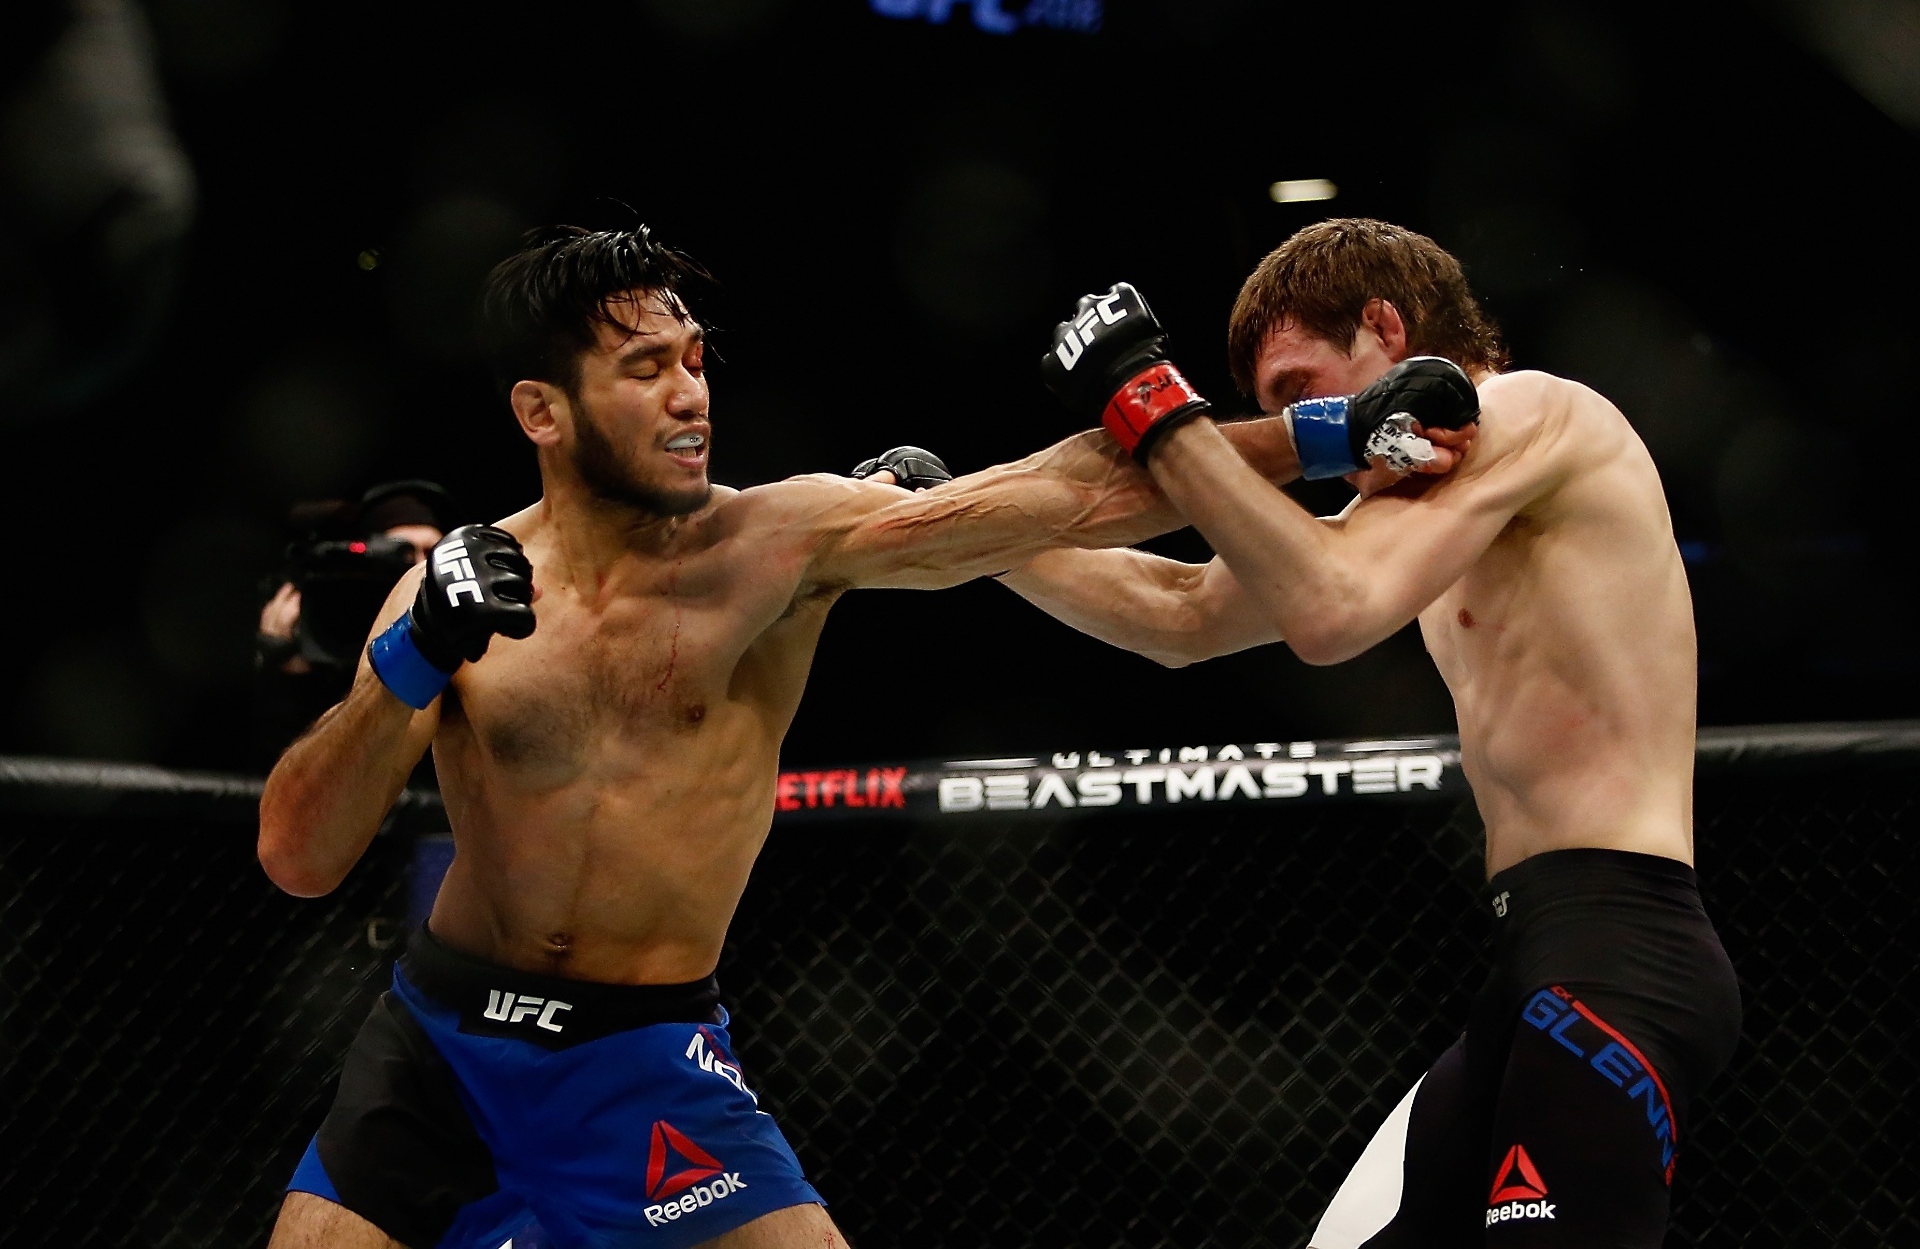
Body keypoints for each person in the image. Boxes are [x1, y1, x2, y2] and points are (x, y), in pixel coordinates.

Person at [257, 224, 1464, 1249]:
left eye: (694, 360)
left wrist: (1334, 434)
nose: (690, 394)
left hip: (641, 1057)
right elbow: (298, 852)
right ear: (543, 409)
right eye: (643, 368)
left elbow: (1066, 490)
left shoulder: (775, 543)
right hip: (438, 1045)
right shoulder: (461, 585)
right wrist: (405, 661)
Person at [1007, 218, 1742, 1248]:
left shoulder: (1530, 412)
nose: (1303, 435)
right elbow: (1181, 616)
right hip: (1529, 961)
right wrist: (981, 537)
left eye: (1301, 387)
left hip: (1618, 948)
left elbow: (1331, 611)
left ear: (1386, 328)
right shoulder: (1418, 506)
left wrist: (1150, 400)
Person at [254, 481, 453, 767]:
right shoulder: (328, 629)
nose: (419, 568)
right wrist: (285, 665)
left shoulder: (457, 631)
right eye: (403, 554)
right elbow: (284, 768)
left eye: (432, 554)